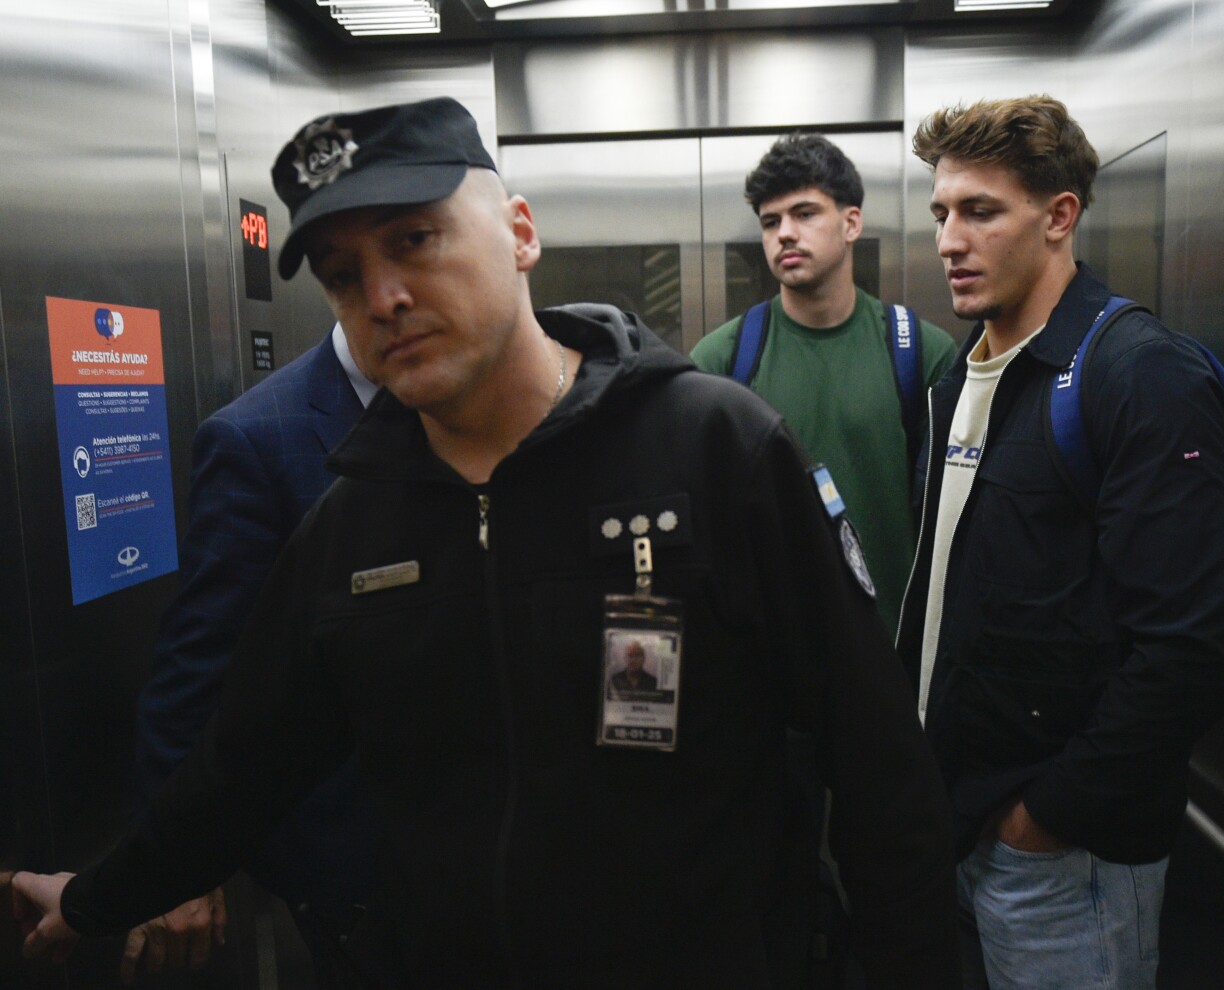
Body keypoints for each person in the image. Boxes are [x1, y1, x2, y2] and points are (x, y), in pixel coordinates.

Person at [11, 96, 957, 989]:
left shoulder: (713, 449)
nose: (382, 296)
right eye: (343, 275)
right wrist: (97, 900)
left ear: (520, 233)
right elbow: (241, 768)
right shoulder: (352, 524)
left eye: (414, 240)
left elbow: (877, 768)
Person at [899, 96, 1224, 989]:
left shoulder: (1138, 371)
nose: (949, 241)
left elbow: (1190, 646)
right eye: (941, 212)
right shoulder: (961, 376)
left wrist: (1046, 818)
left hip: (1064, 856)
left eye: (981, 211)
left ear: (1059, 216)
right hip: (964, 824)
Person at [124, 321, 381, 985]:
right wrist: (175, 870)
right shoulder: (258, 436)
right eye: (353, 275)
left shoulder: (475, 403)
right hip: (356, 866)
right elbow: (197, 669)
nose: (392, 297)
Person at [690, 134, 957, 632]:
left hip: (892, 644)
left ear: (851, 223)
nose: (785, 234)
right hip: (773, 650)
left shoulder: (921, 352)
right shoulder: (721, 360)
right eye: (771, 222)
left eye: (805, 213)